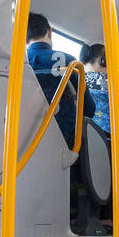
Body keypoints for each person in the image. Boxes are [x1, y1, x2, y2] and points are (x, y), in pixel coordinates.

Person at [25, 13, 80, 149]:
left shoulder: (13, 64)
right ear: (49, 32)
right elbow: (89, 109)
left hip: (22, 139)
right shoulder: (69, 62)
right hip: (64, 141)